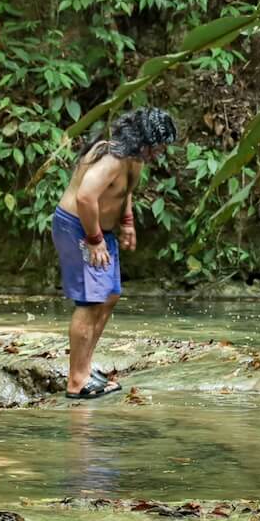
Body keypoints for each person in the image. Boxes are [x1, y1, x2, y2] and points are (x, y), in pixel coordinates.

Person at [53, 107, 177, 399]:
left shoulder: (135, 158)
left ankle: (84, 367)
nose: (160, 153)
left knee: (109, 295)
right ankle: (77, 380)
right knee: (90, 301)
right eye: (158, 147)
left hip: (101, 232)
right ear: (143, 141)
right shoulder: (111, 157)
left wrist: (127, 222)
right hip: (80, 228)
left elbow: (125, 192)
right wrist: (95, 240)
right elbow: (85, 196)